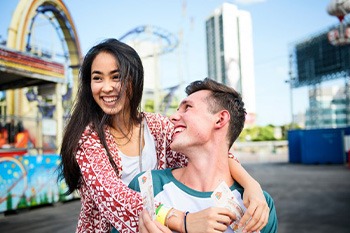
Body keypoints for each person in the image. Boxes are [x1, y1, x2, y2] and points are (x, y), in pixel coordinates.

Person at [58, 38, 269, 233]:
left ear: (134, 80)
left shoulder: (157, 126)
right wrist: (184, 221)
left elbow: (216, 155)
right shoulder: (87, 139)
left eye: (116, 77)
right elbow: (114, 199)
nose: (106, 87)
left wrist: (252, 185)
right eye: (97, 78)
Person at [130, 78, 278, 232]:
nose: (172, 117)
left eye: (187, 107)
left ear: (220, 119)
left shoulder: (258, 207)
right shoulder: (146, 185)